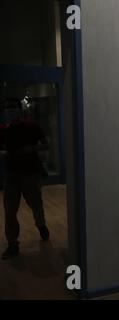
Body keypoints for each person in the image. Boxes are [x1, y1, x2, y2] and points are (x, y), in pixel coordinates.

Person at [1, 103, 50, 260]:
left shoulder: (31, 126)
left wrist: (31, 149)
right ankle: (13, 243)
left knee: (36, 203)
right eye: (7, 110)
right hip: (11, 173)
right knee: (9, 210)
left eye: (11, 110)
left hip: (30, 172)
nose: (9, 113)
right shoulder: (4, 129)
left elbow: (46, 145)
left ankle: (41, 225)